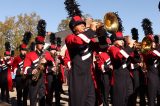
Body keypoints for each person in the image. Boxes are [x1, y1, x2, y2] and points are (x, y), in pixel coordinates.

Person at [65, 15, 99, 106]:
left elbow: (102, 47)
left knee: (91, 102)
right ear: (74, 28)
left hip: (88, 76)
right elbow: (79, 41)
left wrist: (101, 32)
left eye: (83, 24)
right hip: (77, 77)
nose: (83, 25)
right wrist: (91, 30)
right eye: (80, 24)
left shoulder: (88, 38)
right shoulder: (69, 38)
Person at [108, 32, 133, 106]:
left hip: (126, 76)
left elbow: (135, 60)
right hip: (118, 77)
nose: (122, 41)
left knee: (128, 97)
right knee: (119, 100)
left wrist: (132, 48)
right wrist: (129, 47)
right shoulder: (113, 48)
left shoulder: (123, 49)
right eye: (119, 39)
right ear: (114, 41)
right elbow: (119, 56)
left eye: (122, 39)